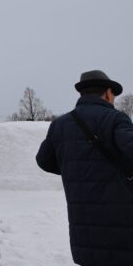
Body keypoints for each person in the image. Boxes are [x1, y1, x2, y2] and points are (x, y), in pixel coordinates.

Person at [36, 70, 133, 265]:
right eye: (112, 94)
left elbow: (43, 160)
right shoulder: (115, 118)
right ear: (107, 93)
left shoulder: (59, 124)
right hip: (121, 219)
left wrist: (75, 170)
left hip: (82, 224)